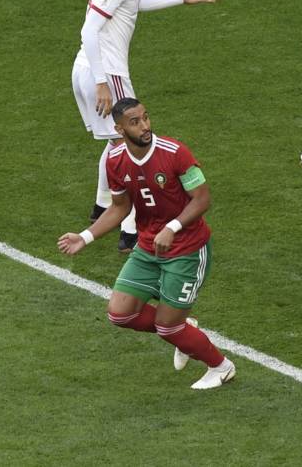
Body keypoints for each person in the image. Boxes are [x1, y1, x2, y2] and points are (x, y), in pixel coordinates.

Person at [58, 98, 235, 390]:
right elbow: (120, 207)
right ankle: (185, 331)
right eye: (135, 122)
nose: (144, 126)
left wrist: (172, 227)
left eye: (146, 118)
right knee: (120, 313)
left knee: (167, 326)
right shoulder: (116, 160)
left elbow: (202, 198)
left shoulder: (174, 152)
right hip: (149, 248)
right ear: (119, 129)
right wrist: (85, 237)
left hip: (187, 249)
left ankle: (221, 366)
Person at [71, 0, 222, 253]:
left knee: (115, 143)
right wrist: (102, 83)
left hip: (87, 68)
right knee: (134, 146)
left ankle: (101, 208)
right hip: (104, 73)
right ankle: (129, 233)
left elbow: (134, 3)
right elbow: (89, 30)